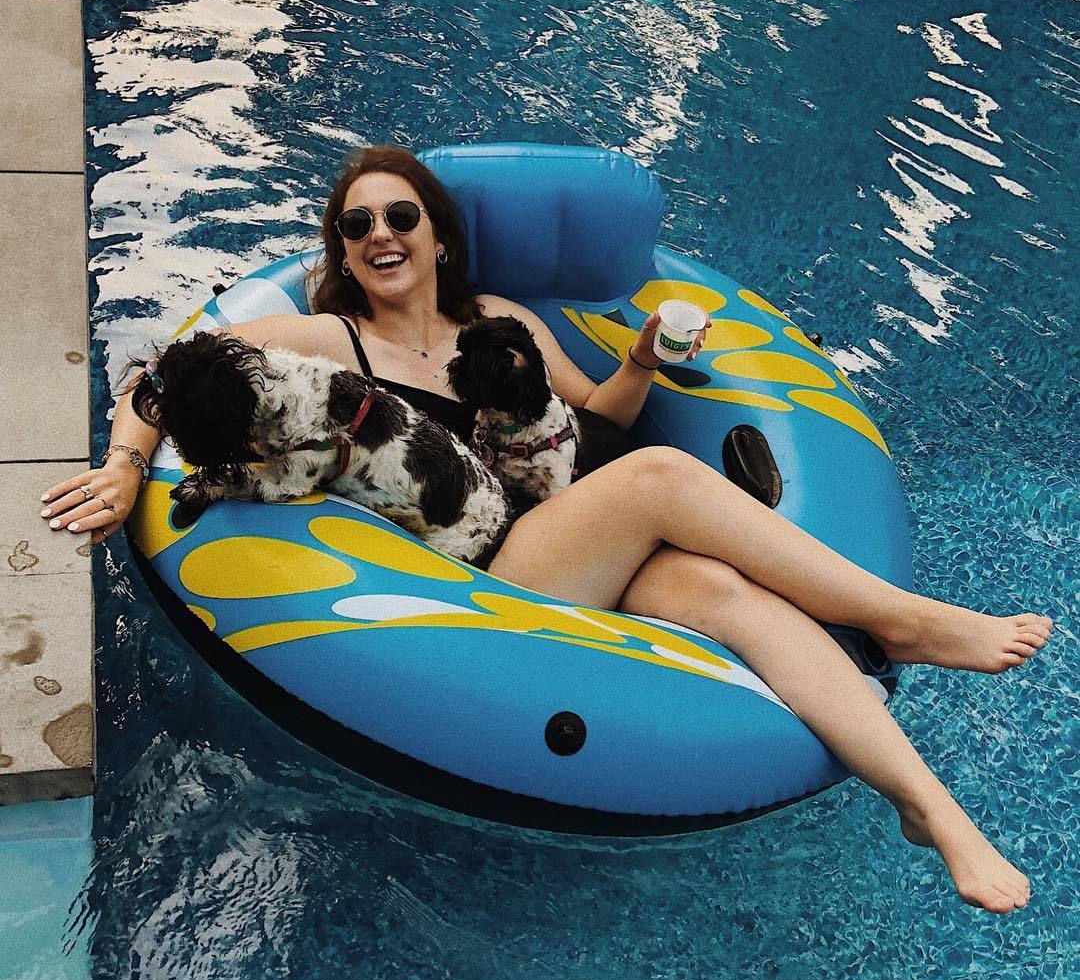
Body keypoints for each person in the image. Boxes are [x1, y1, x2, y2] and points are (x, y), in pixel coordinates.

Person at [41, 146, 1053, 915]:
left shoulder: (498, 317)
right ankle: (904, 621)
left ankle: (927, 806)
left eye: (401, 215)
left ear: (438, 235)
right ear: (341, 249)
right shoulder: (325, 337)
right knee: (662, 476)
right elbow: (169, 373)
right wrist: (127, 465)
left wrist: (644, 359)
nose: (381, 235)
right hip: (476, 574)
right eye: (357, 225)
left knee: (722, 594)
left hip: (572, 539)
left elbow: (597, 414)